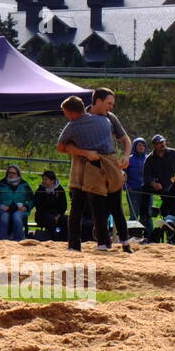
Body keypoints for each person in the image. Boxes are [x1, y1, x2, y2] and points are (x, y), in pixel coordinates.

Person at [56, 95, 117, 251]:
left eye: (65, 113)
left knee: (76, 208)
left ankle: (74, 245)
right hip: (101, 170)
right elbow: (109, 146)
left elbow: (61, 147)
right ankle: (104, 243)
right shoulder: (104, 121)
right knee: (99, 207)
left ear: (71, 113)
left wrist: (76, 149)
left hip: (80, 171)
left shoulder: (73, 125)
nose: (65, 116)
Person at [88, 87, 132, 249]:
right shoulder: (84, 117)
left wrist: (126, 156)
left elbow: (126, 140)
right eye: (109, 103)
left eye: (112, 104)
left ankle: (125, 243)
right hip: (91, 166)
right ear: (98, 101)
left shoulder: (111, 118)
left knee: (116, 206)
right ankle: (103, 243)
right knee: (98, 207)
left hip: (111, 165)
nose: (111, 107)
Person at [142, 134, 175, 242]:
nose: (162, 144)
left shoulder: (174, 154)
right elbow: (146, 176)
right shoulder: (150, 159)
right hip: (161, 191)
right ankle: (150, 234)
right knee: (166, 214)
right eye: (159, 143)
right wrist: (153, 183)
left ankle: (172, 237)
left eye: (163, 142)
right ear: (154, 145)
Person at [0, 165, 34, 241]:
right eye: (9, 172)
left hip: (19, 210)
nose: (10, 174)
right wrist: (1, 206)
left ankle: (19, 240)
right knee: (4, 217)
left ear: (18, 174)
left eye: (13, 173)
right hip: (4, 209)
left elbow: (32, 200)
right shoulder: (1, 184)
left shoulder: (24, 185)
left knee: (16, 216)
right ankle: (2, 240)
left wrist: (26, 207)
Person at [32, 169, 67, 240]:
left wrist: (58, 215)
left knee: (66, 219)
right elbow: (39, 207)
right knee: (50, 220)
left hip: (57, 214)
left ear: (52, 180)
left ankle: (64, 238)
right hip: (42, 215)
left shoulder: (60, 190)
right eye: (43, 179)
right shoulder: (40, 190)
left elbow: (64, 205)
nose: (43, 181)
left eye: (45, 179)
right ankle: (53, 239)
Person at [125, 137, 149, 238]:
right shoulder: (129, 159)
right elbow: (123, 175)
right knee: (134, 215)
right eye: (139, 145)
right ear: (135, 146)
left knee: (147, 215)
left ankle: (148, 236)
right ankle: (132, 236)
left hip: (146, 192)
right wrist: (127, 186)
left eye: (143, 145)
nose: (141, 147)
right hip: (133, 191)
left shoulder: (148, 159)